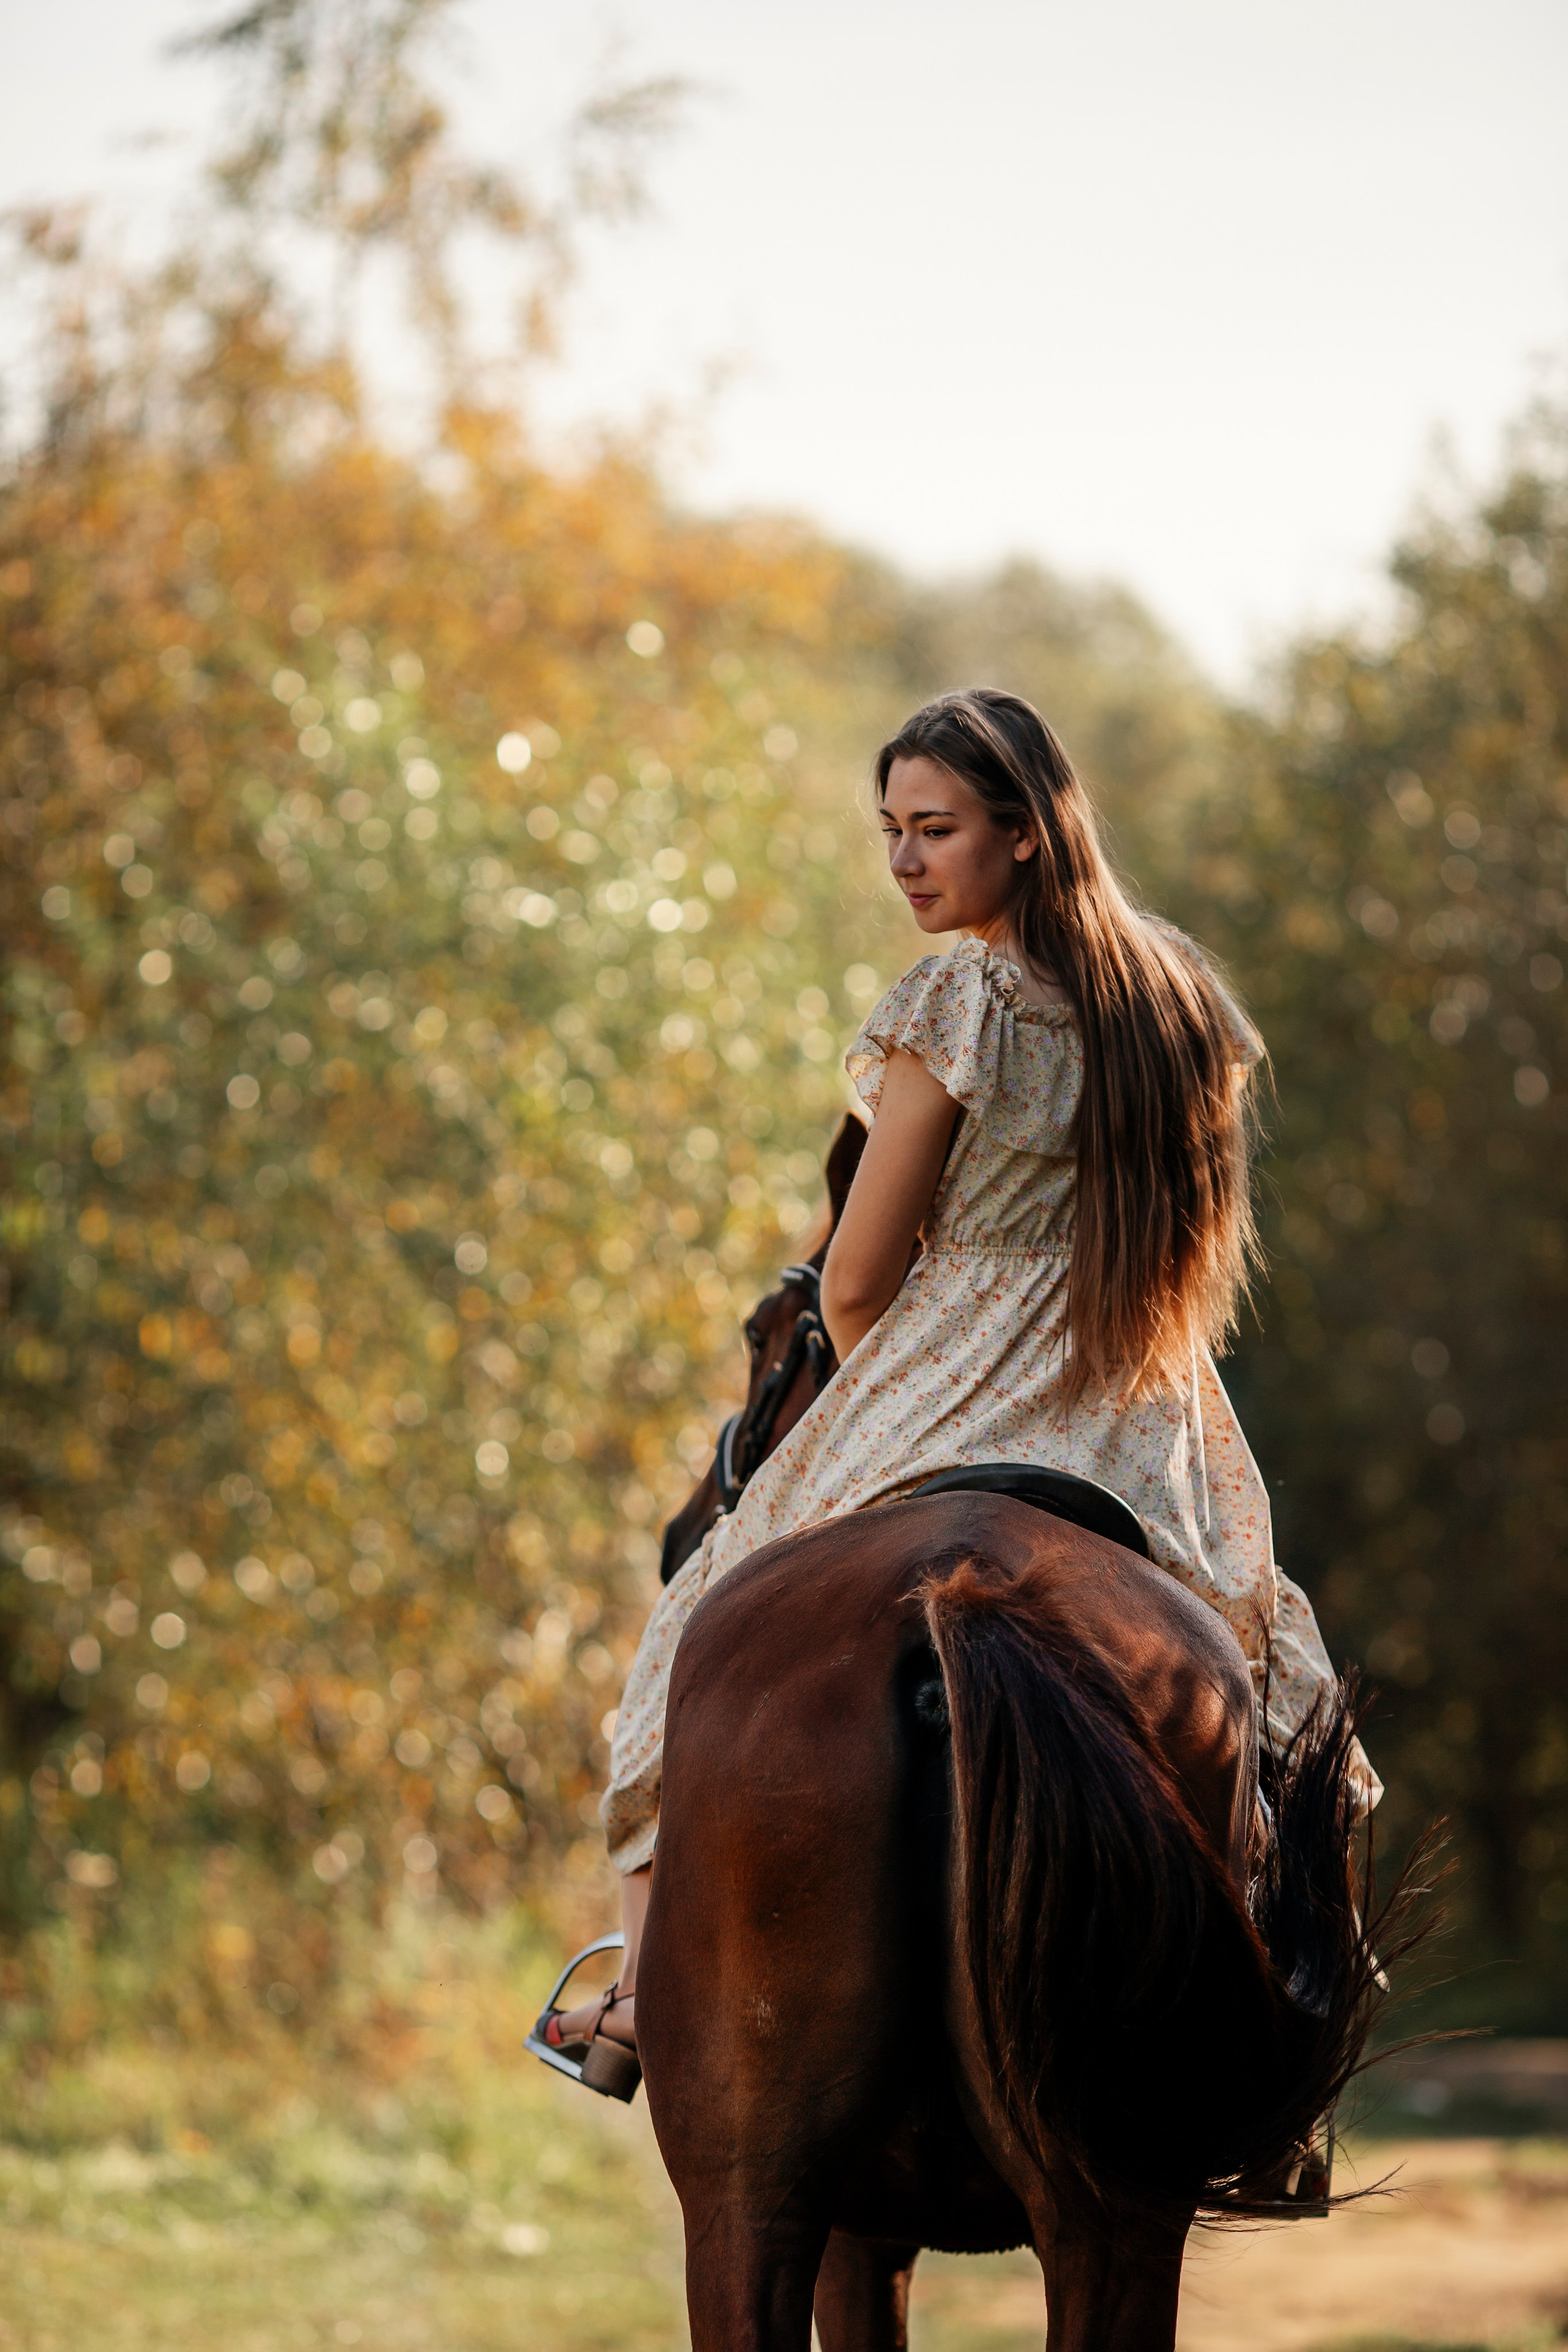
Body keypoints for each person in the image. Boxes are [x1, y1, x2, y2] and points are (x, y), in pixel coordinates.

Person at [535, 687, 1378, 2083]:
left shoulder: (958, 997)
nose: (905, 862)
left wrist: (889, 1403)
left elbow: (855, 1280)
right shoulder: (1181, 1007)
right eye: (890, 831)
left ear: (1029, 834)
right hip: (1147, 1418)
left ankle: (646, 2015)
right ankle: (1285, 2055)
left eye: (934, 829)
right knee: (1275, 1704)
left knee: (688, 1641)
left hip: (947, 1385)